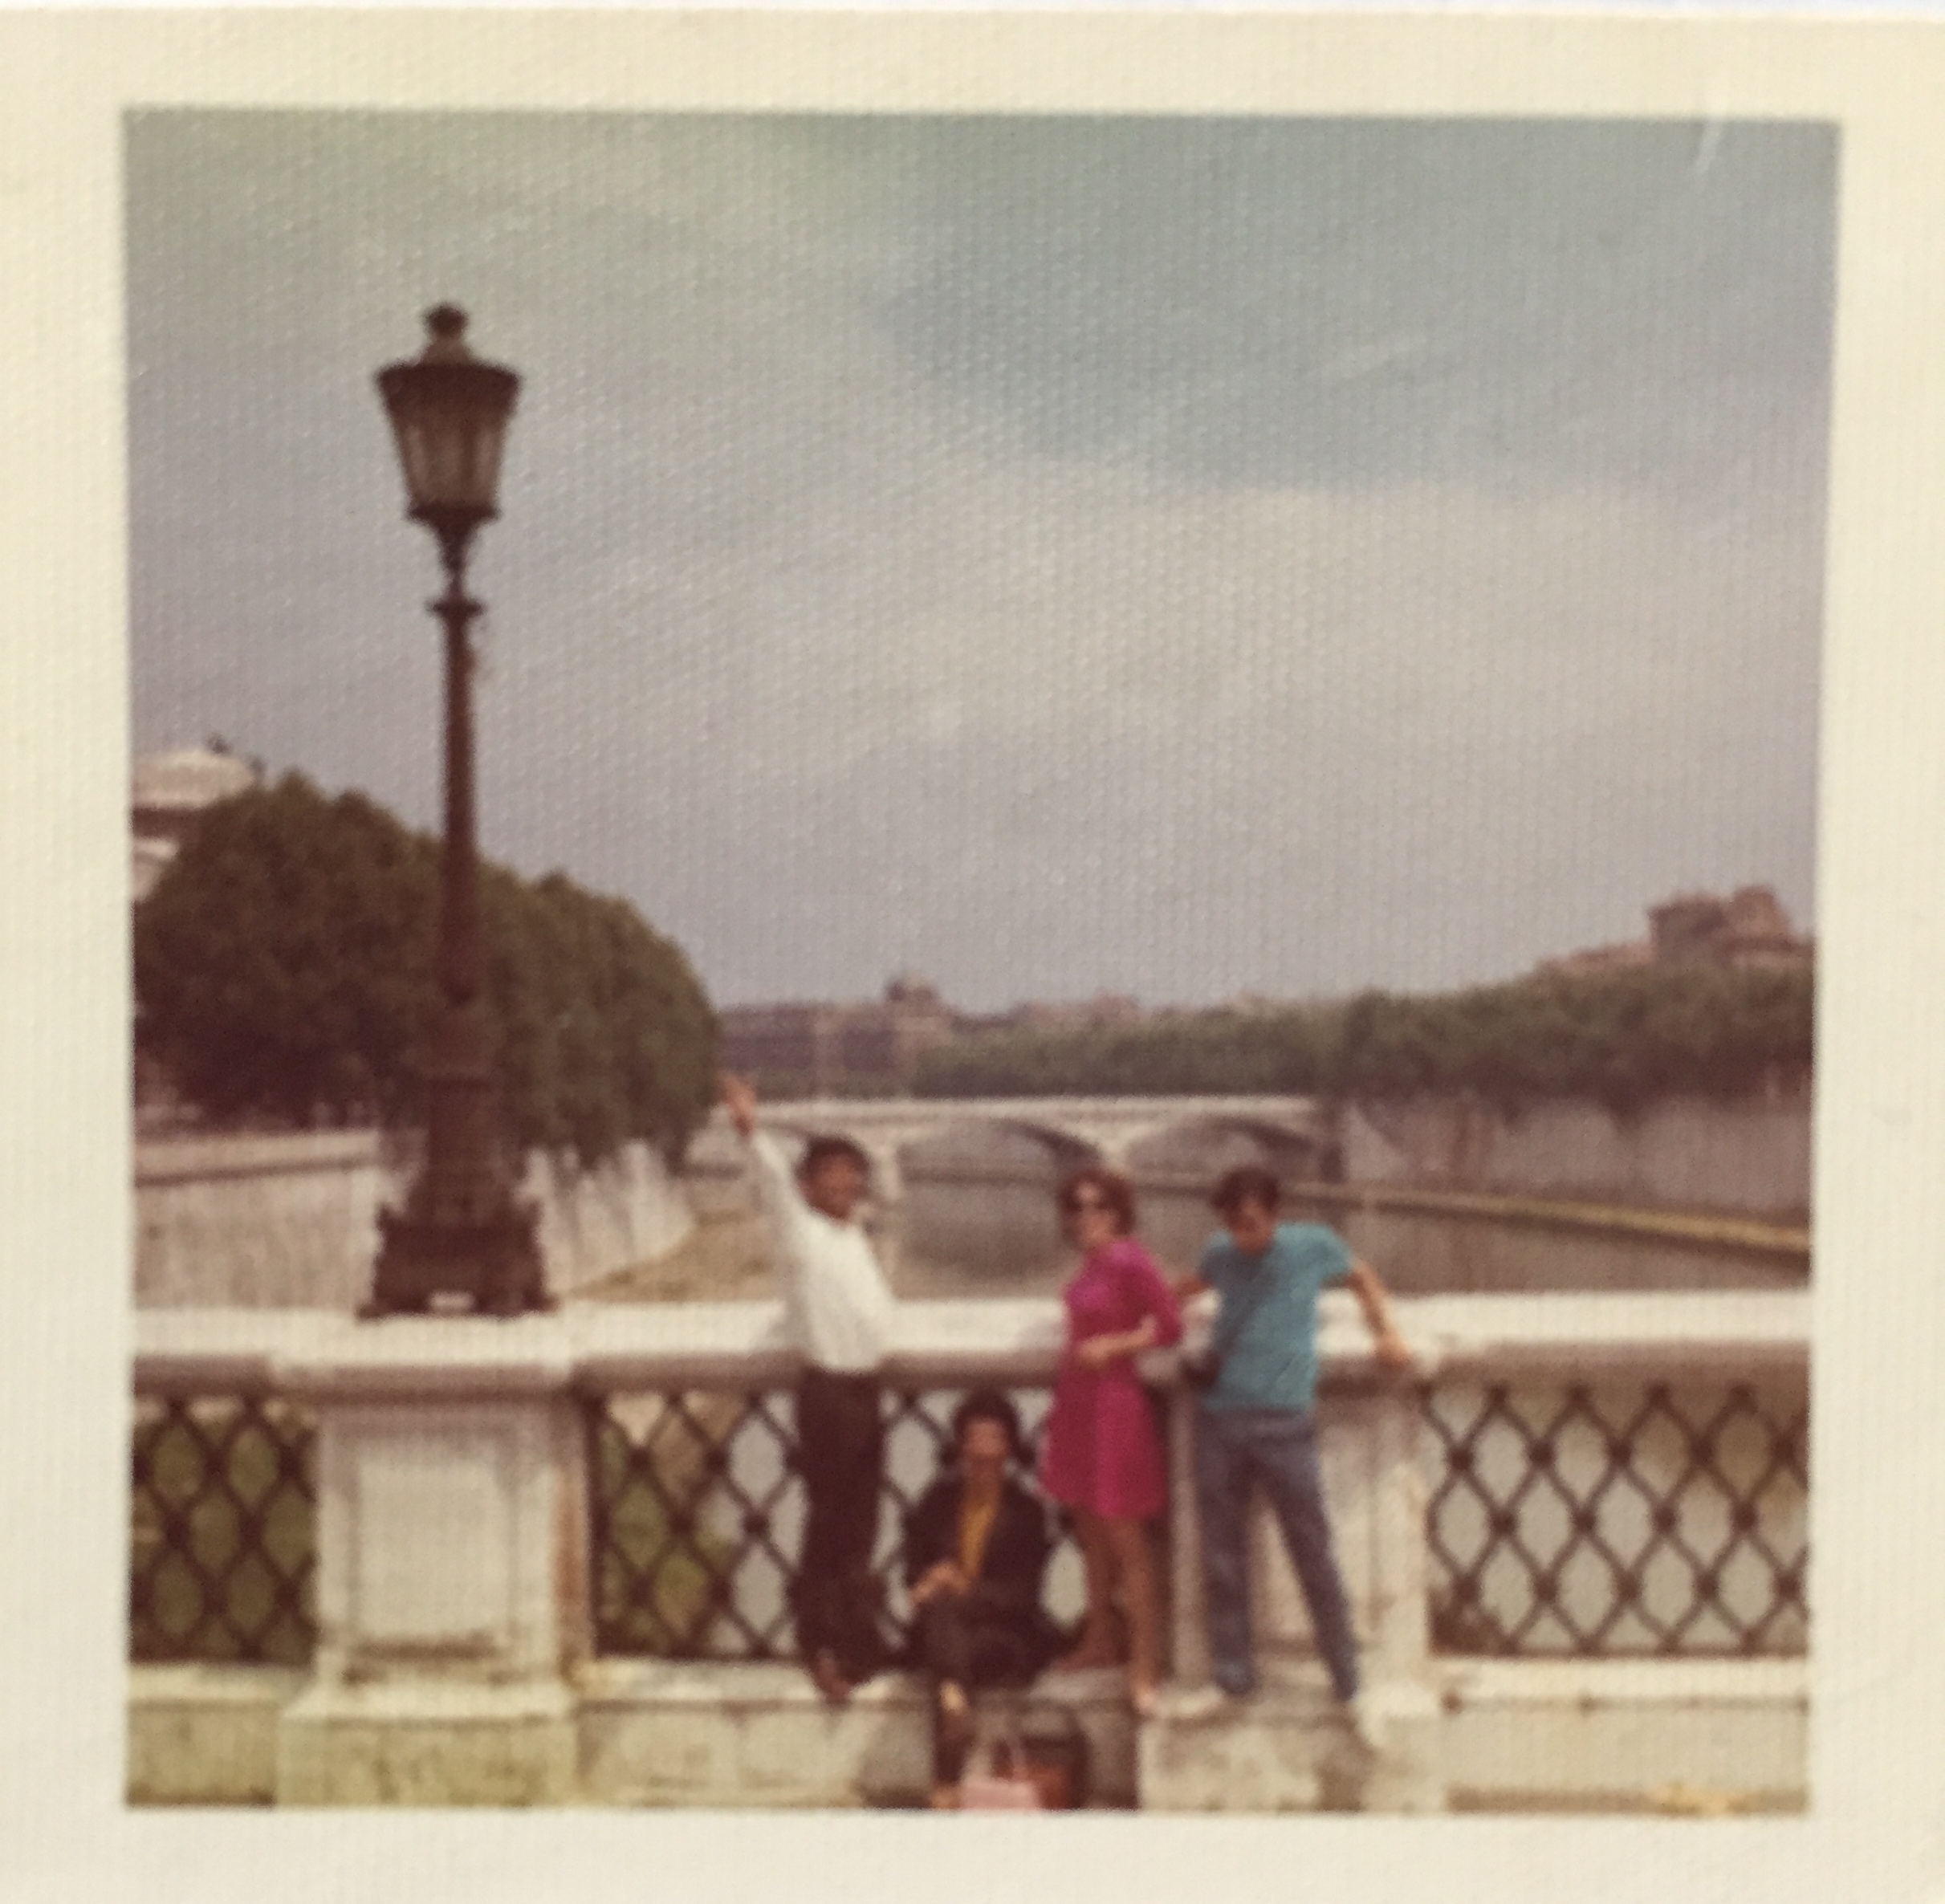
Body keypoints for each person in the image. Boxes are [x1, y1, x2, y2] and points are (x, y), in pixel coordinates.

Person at [1174, 1165, 1414, 1744]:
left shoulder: (1312, 1246)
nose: (1243, 1235)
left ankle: (1351, 1686)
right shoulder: (1219, 1253)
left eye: (1252, 1222)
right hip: (1220, 1418)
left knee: (1313, 1552)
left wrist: (1385, 1332)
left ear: (1275, 1214)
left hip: (1285, 1422)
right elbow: (1185, 1288)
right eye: (1233, 1223)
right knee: (1221, 1558)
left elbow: (1361, 1277)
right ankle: (1232, 1680)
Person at [720, 1072, 894, 1706]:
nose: (846, 1184)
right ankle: (819, 1644)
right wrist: (750, 1128)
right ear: (808, 1186)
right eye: (833, 1175)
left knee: (863, 1526)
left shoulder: (853, 1236)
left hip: (866, 1391)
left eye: (853, 1175)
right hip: (828, 1395)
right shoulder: (800, 1231)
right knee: (830, 1527)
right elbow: (770, 1182)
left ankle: (855, 1639)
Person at [1036, 1165, 1182, 1717]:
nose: (1086, 1216)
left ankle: (1144, 1663)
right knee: (1090, 1535)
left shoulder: (1130, 1259)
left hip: (1115, 1407)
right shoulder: (1091, 1264)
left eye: (1099, 1206)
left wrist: (1115, 1346)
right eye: (1076, 1207)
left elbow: (1169, 1325)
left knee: (1126, 1543)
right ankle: (1099, 1639)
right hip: (1077, 1404)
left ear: (1120, 1212)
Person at [901, 1389, 1065, 1808]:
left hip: (1002, 1635)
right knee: (945, 1626)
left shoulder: (1026, 1512)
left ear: (1009, 1449)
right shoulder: (937, 1502)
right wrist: (932, 1583)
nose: (984, 1455)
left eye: (994, 1443)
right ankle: (953, 1706)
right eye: (976, 1443)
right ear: (962, 1447)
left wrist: (960, 1590)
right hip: (946, 1630)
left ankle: (946, 1777)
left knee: (946, 1631)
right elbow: (913, 1573)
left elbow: (1022, 1597)